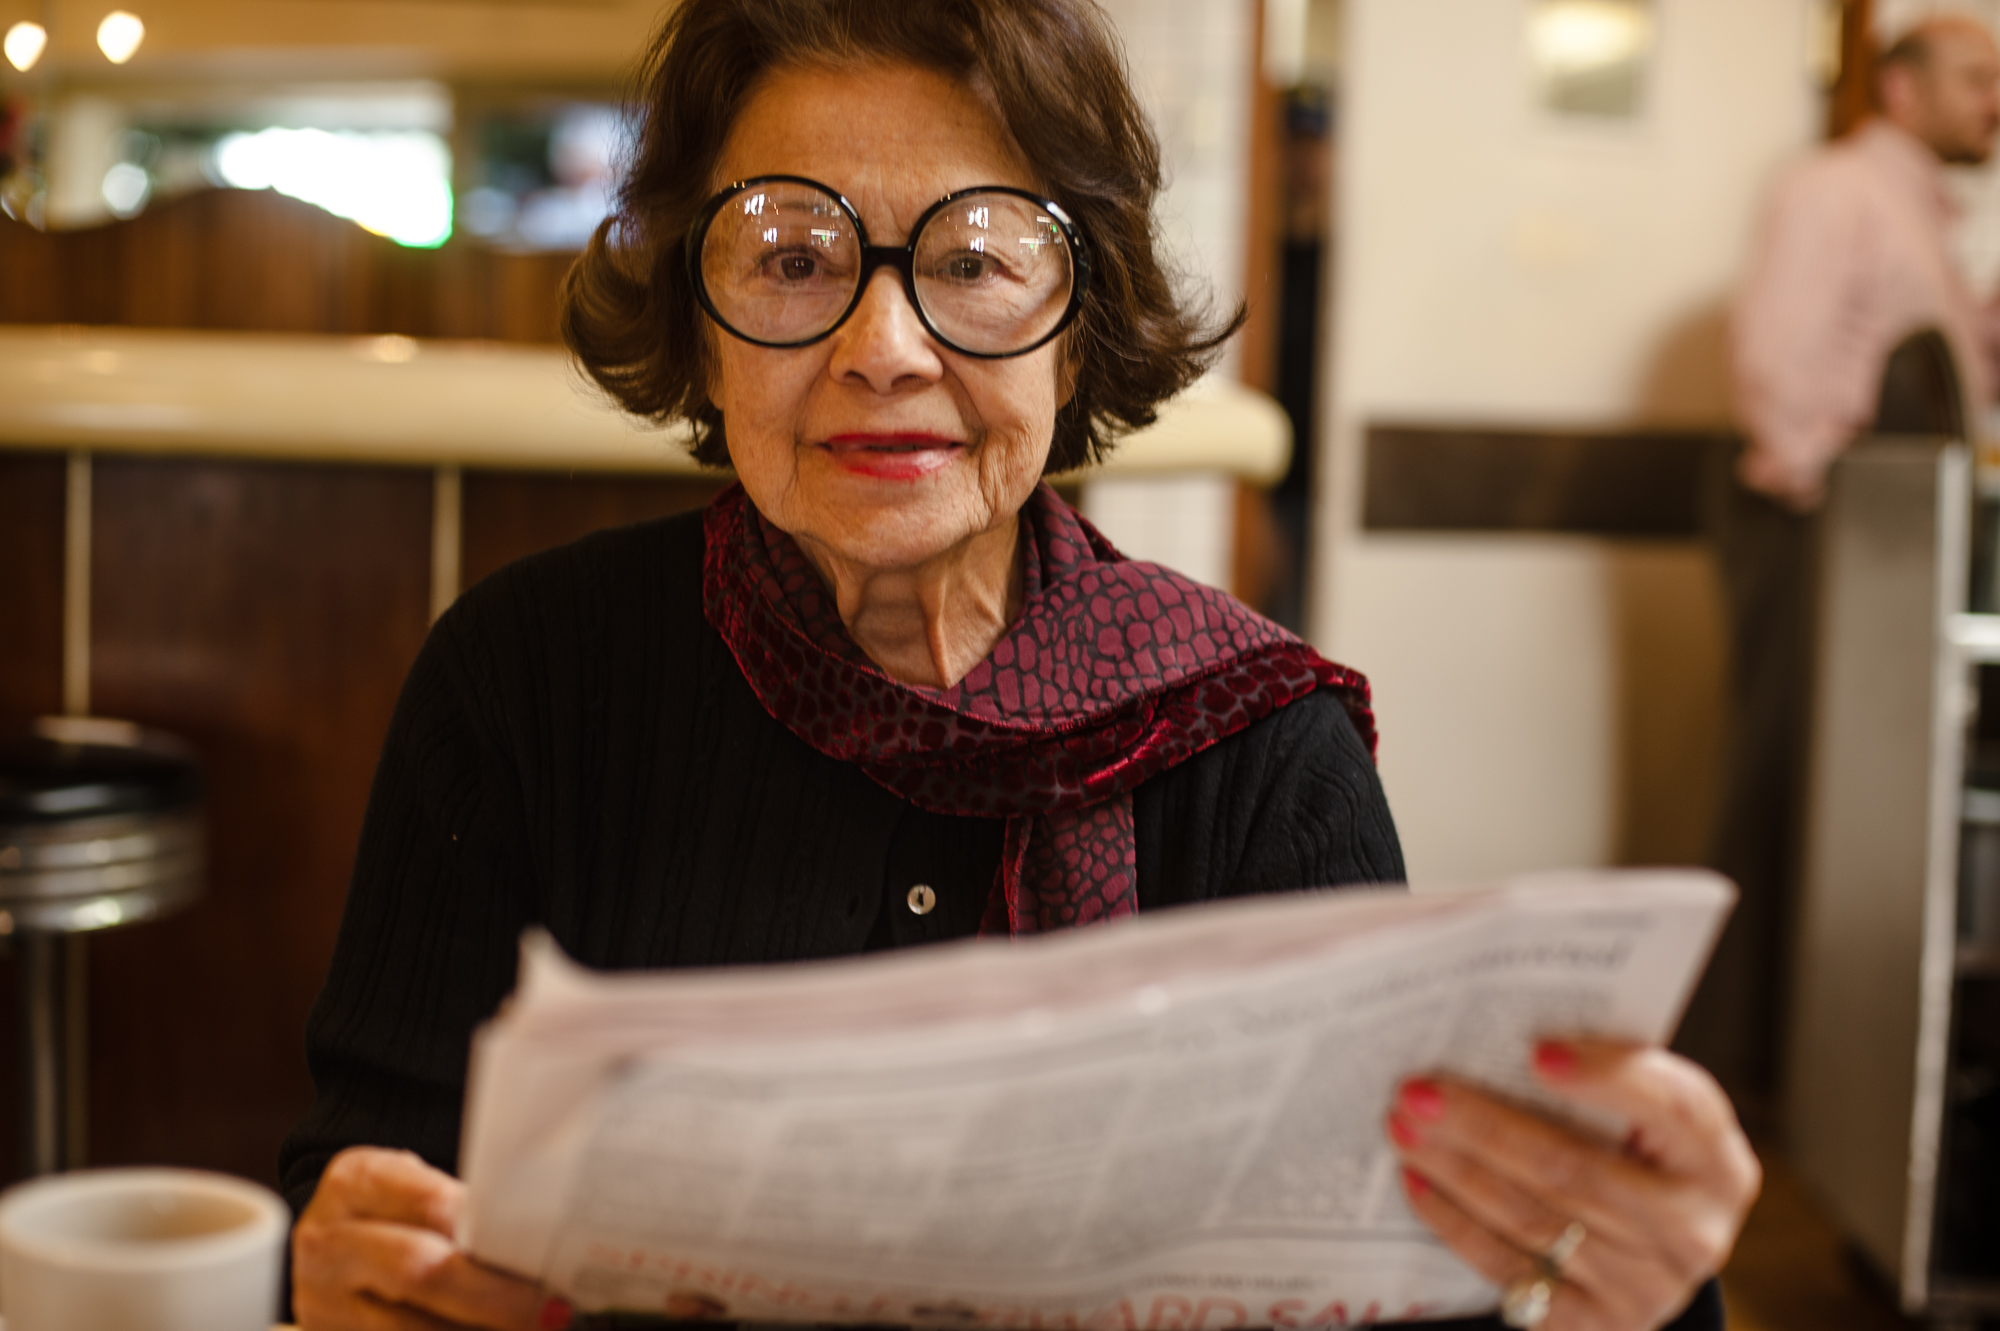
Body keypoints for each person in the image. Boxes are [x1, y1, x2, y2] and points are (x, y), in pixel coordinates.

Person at [280, 3, 1760, 1329]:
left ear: (1078, 328)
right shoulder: (523, 682)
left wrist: (1615, 1287)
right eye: (793, 257)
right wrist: (346, 1269)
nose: (885, 344)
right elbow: (360, 1184)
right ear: (699, 319)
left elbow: (1401, 1281)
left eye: (975, 259)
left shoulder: (1255, 748)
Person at [1696, 11, 2000, 1104]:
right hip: (1809, 519)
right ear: (1901, 91)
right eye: (1974, 77)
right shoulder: (1835, 188)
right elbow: (1773, 365)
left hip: (1872, 534)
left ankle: (1794, 1065)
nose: (1994, 99)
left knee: (1839, 791)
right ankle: (1733, 1067)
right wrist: (1836, 516)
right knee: (1780, 777)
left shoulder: (1925, 217)